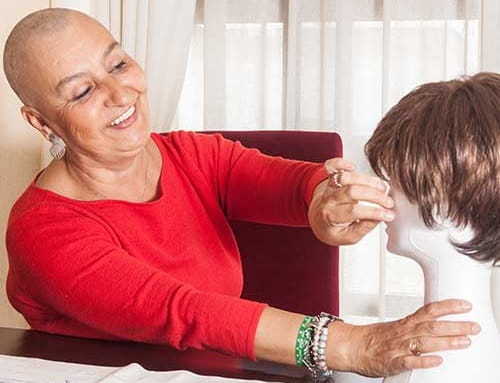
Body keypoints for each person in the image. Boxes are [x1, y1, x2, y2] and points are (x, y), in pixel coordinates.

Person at [2, 8, 480, 380]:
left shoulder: (191, 154)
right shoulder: (43, 230)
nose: (121, 93)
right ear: (42, 121)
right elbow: (185, 312)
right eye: (83, 91)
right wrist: (353, 345)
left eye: (119, 64)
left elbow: (292, 183)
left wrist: (326, 199)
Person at [365, 73, 500, 382]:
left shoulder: (446, 368)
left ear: (443, 203)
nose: (385, 194)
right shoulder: (473, 355)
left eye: (396, 180)